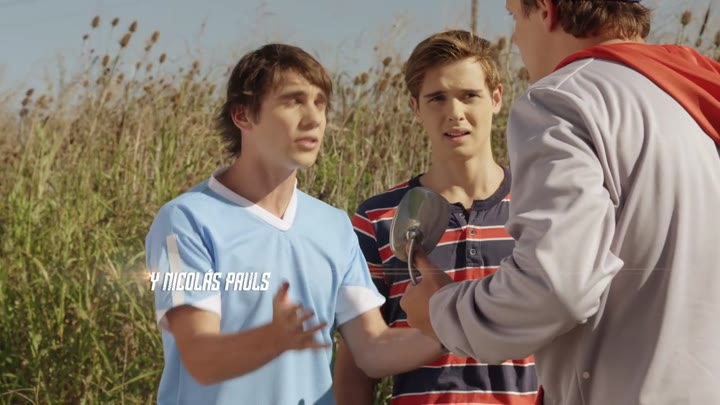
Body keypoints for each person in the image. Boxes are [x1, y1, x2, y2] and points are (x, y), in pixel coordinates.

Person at [399, 1, 720, 404]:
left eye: (514, 15)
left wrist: (441, 310)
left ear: (545, 11)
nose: (516, 38)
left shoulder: (562, 100)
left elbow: (556, 286)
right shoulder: (691, 98)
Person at [144, 43, 446, 405]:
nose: (314, 118)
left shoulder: (333, 226)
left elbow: (373, 349)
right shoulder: (186, 220)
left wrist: (455, 328)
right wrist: (272, 339)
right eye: (293, 101)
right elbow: (199, 359)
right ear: (243, 115)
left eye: (320, 103)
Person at [333, 30, 539, 405]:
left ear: (496, 98)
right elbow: (356, 363)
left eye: (469, 95)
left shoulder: (540, 205)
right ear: (415, 107)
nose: (454, 112)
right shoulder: (377, 218)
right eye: (437, 98)